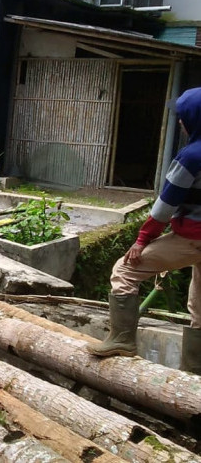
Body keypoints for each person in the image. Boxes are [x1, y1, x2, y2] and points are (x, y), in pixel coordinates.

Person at [87, 87, 201, 374]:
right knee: (199, 307)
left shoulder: (191, 157)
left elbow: (164, 208)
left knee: (124, 271)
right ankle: (194, 374)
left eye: (181, 115)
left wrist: (142, 240)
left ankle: (122, 340)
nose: (179, 121)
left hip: (193, 238)